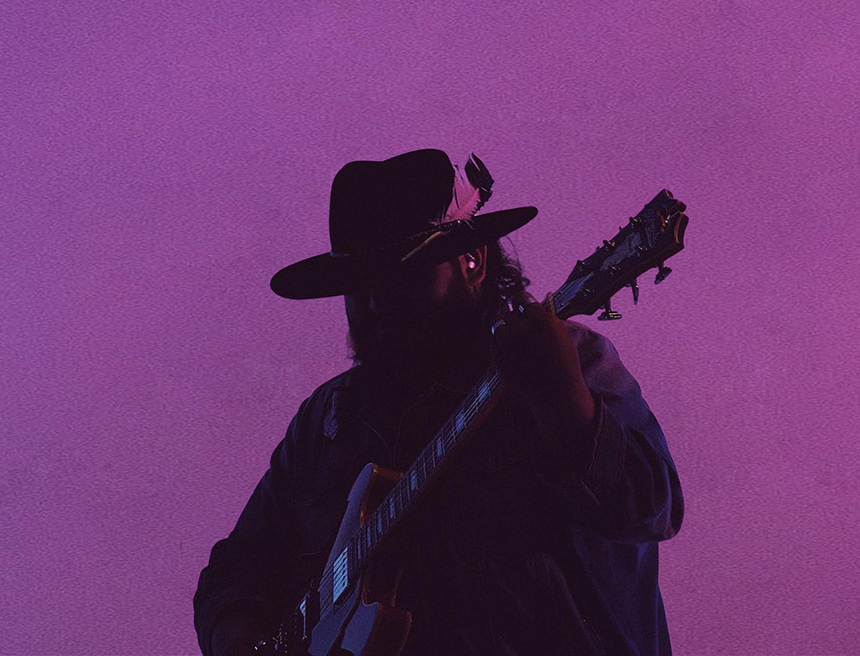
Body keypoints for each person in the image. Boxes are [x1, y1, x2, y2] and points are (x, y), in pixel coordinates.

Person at [193, 149, 683, 656]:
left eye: (400, 276)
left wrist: (562, 397)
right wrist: (238, 636)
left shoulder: (566, 361)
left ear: (472, 262)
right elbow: (235, 570)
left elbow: (652, 508)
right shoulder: (328, 421)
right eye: (358, 286)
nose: (376, 303)